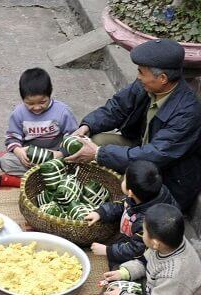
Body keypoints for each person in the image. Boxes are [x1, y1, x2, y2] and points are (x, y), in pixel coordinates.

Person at [66, 39, 201, 211]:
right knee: (97, 139)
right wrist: (87, 125)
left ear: (162, 78)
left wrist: (99, 154)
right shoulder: (146, 86)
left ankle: (115, 214)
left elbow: (155, 155)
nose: (138, 76)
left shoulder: (188, 112)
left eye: (141, 72)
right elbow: (117, 107)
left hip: (167, 177)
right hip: (140, 148)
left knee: (127, 185)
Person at [100, 204, 201, 295]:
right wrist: (123, 273)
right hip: (155, 289)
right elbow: (145, 262)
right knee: (115, 275)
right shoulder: (169, 242)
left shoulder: (175, 273)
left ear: (155, 243)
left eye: (144, 231)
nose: (142, 233)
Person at [85, 160, 178, 269]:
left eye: (125, 179)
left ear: (130, 192)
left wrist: (108, 251)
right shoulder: (147, 194)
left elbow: (136, 249)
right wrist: (101, 212)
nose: (123, 179)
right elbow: (122, 205)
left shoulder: (146, 222)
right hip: (129, 236)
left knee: (116, 267)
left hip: (141, 254)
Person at [0, 67, 78, 187]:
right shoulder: (19, 113)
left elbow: (74, 138)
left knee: (76, 163)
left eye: (42, 102)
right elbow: (11, 138)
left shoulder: (62, 112)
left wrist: (60, 154)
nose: (36, 107)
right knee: (5, 162)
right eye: (30, 103)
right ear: (22, 98)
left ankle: (29, 181)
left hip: (55, 156)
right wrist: (19, 152)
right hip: (31, 158)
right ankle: (49, 178)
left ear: (49, 93)